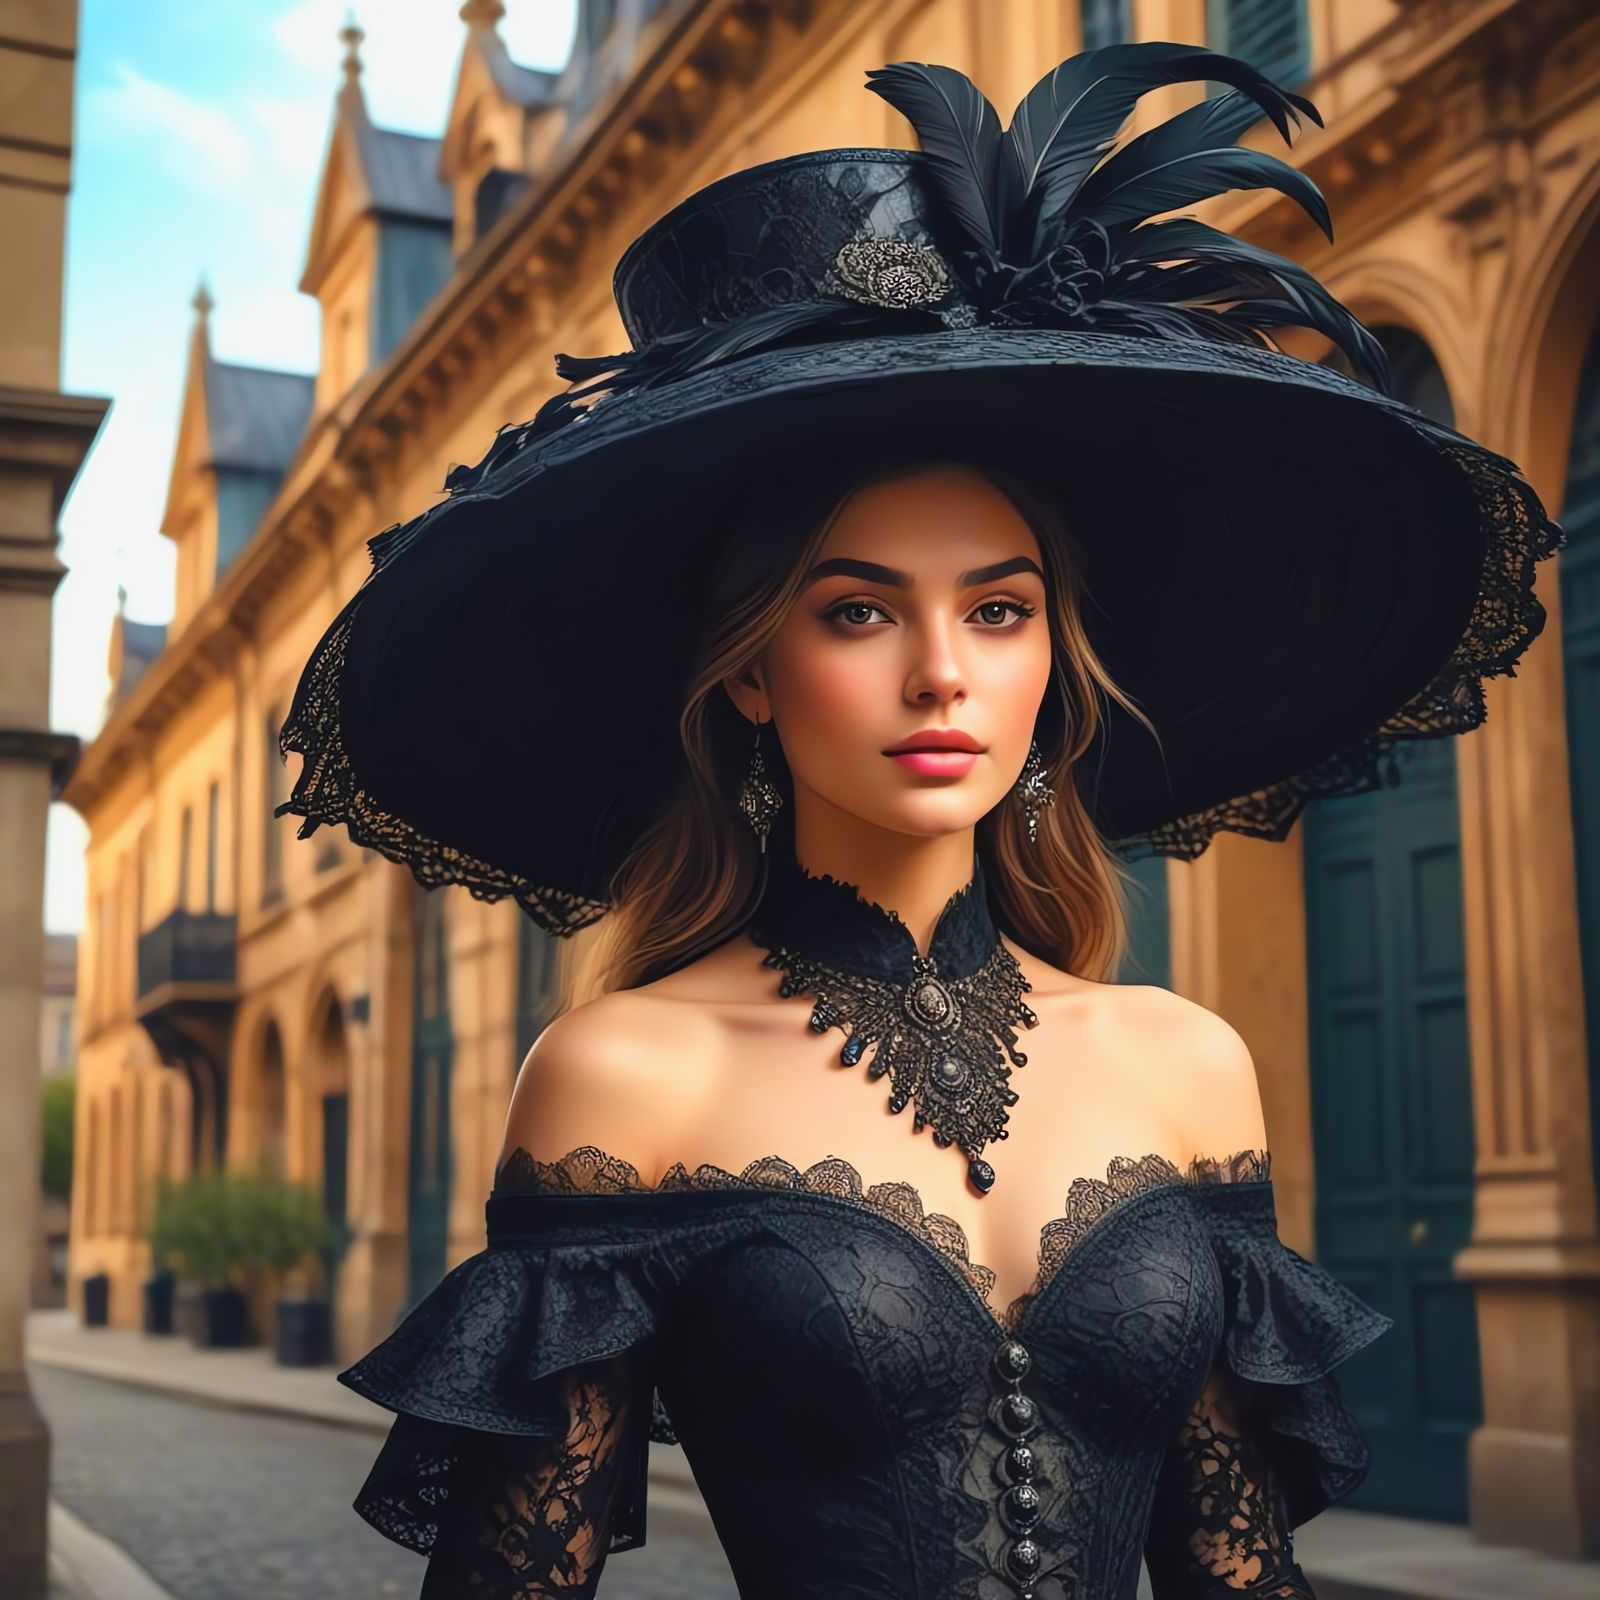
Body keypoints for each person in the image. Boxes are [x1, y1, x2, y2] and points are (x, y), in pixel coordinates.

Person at [274, 41, 1562, 1600]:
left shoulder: (1188, 1062)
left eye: (1001, 609)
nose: (943, 672)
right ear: (752, 674)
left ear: (1051, 666)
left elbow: (1239, 1573)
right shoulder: (627, 1076)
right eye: (861, 611)